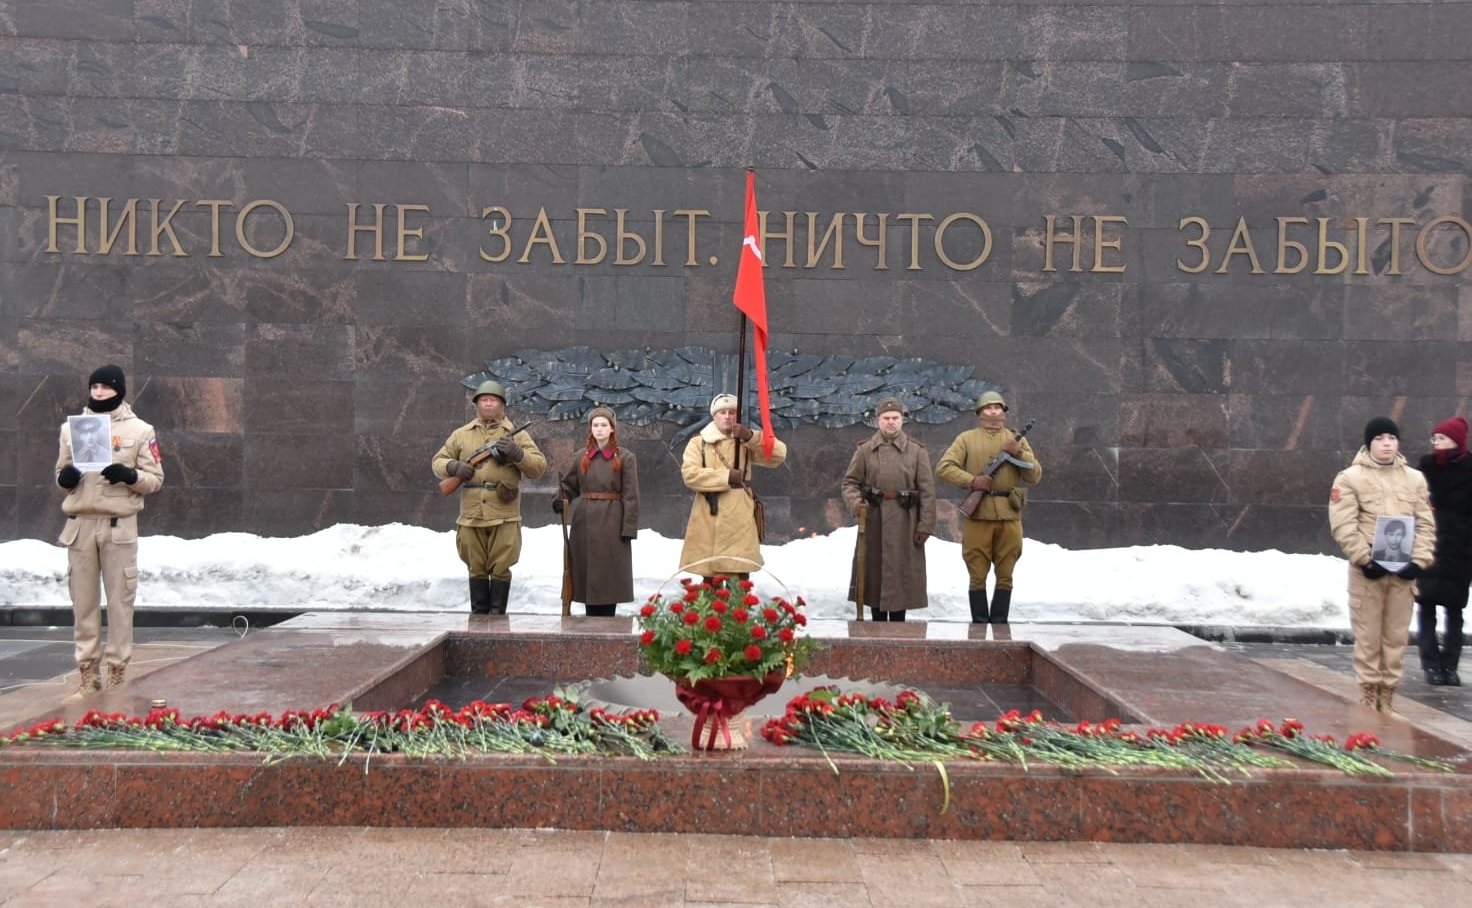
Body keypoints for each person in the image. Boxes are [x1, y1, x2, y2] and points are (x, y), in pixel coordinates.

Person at [54, 365, 164, 699]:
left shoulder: (141, 430)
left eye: (105, 387)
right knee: (83, 605)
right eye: (95, 386)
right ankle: (88, 675)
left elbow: (155, 478)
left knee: (120, 603)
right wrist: (66, 478)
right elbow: (60, 473)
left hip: (118, 527)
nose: (99, 392)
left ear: (119, 389)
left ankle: (118, 673)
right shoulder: (71, 429)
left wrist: (130, 476)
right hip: (81, 526)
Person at [1328, 416, 1435, 713]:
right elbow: (1343, 524)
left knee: (1396, 637)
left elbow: (1425, 524)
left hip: (1402, 574)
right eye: (1379, 438)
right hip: (1369, 573)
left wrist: (1418, 560)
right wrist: (1364, 559)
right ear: (1369, 443)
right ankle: (1367, 696)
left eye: (1391, 437)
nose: (1386, 443)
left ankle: (1387, 698)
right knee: (1368, 636)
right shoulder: (1350, 478)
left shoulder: (1414, 479)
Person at [432, 380, 547, 615]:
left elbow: (538, 467)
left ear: (502, 405)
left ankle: (496, 621)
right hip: (471, 515)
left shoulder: (517, 435)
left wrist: (517, 453)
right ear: (476, 404)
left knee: (502, 567)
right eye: (483, 399)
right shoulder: (461, 435)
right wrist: (454, 467)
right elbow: (438, 462)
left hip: (504, 514)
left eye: (493, 399)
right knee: (476, 567)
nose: (488, 403)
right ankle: (478, 618)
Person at [935, 390, 1042, 625]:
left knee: (1006, 574)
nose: (993, 411)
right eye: (988, 407)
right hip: (979, 515)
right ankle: (980, 623)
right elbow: (944, 467)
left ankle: (1000, 622)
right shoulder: (966, 439)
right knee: (977, 573)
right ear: (980, 412)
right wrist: (972, 481)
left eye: (997, 407)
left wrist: (1021, 453)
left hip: (1009, 516)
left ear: (1003, 412)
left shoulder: (1017, 439)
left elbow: (1034, 475)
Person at [841, 398, 936, 621]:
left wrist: (925, 525)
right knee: (874, 574)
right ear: (878, 421)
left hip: (906, 521)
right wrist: (856, 503)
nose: (891, 423)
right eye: (886, 418)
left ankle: (898, 628)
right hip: (874, 520)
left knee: (901, 574)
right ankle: (876, 625)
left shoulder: (917, 451)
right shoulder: (865, 450)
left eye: (895, 418)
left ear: (902, 420)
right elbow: (849, 483)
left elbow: (927, 492)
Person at [678, 393, 786, 581]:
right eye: (722, 412)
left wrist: (752, 437)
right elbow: (690, 474)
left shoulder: (745, 441)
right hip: (709, 512)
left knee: (739, 574)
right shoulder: (699, 442)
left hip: (739, 513)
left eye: (732, 412)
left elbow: (777, 456)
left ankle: (738, 610)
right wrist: (726, 476)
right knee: (710, 579)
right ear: (714, 415)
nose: (727, 416)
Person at [554, 407, 639, 617]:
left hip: (612, 520)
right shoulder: (581, 457)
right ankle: (590, 618)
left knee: (608, 573)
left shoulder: (625, 457)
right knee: (585, 571)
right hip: (585, 519)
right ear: (590, 429)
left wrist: (628, 527)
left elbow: (631, 495)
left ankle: (607, 619)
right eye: (595, 425)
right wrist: (560, 499)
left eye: (604, 425)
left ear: (612, 429)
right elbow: (569, 486)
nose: (599, 429)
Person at [1415, 416, 1472, 686]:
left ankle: (1450, 665)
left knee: (1454, 611)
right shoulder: (1424, 470)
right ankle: (1431, 665)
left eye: (1442, 438)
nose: (1437, 443)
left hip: (1459, 551)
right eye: (1435, 438)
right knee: (1426, 608)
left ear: (1456, 441)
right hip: (1429, 547)